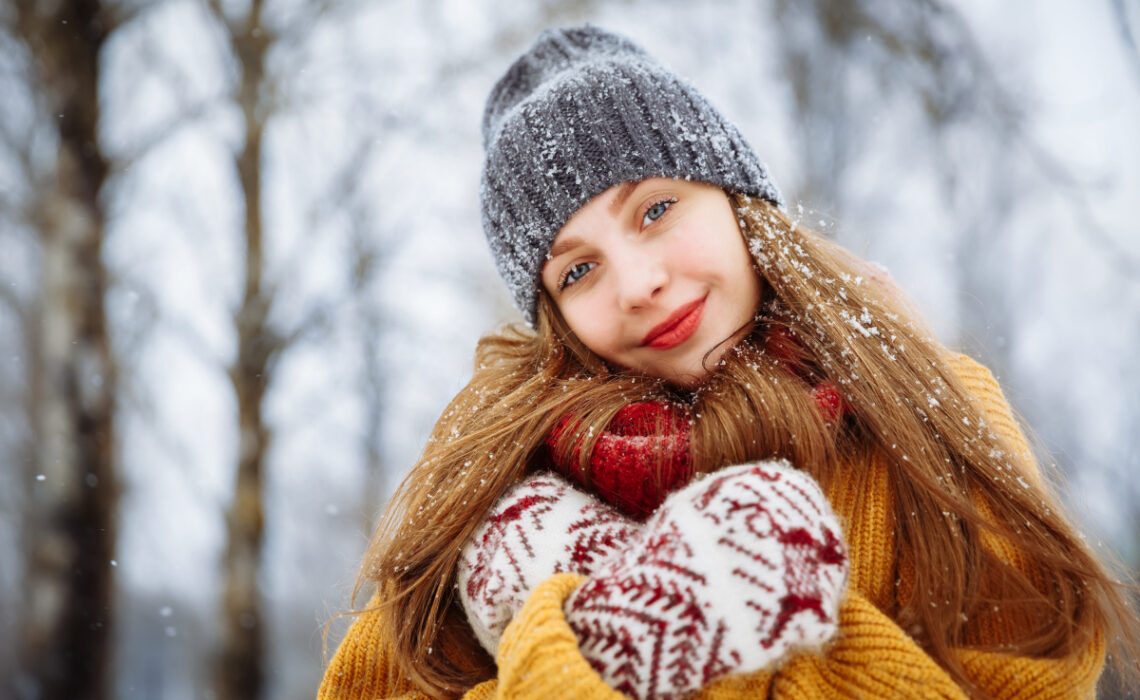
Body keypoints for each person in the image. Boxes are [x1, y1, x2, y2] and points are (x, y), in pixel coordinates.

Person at [318, 25, 1138, 700]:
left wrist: (669, 633)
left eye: (657, 210)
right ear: (554, 318)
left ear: (740, 203)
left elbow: (1037, 678)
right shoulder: (494, 497)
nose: (639, 283)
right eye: (577, 270)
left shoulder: (928, 406)